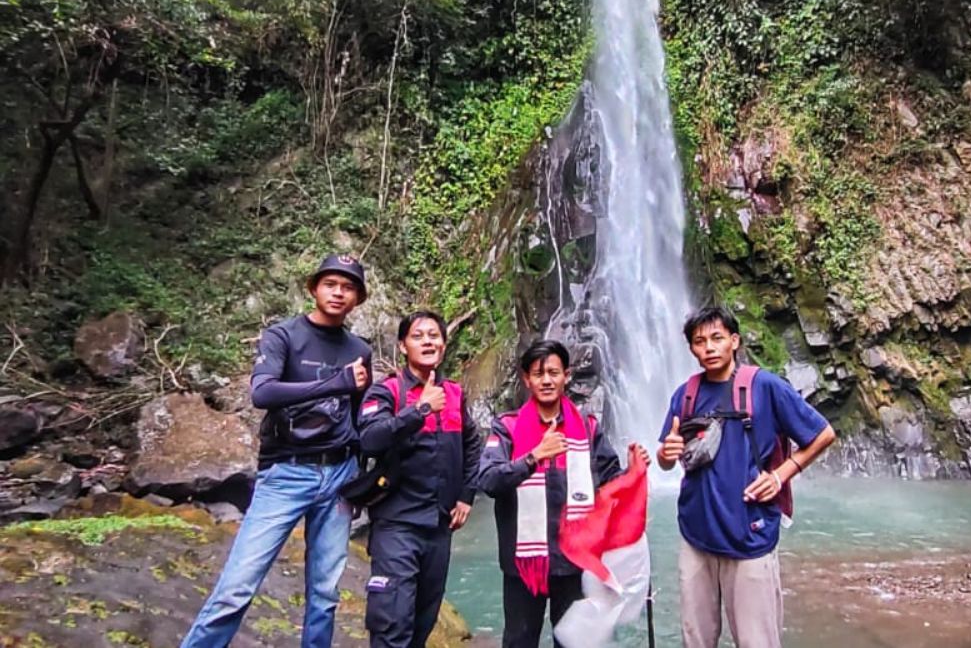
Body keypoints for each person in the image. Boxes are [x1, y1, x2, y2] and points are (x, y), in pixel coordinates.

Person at [181, 254, 373, 648]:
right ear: (313, 288)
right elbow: (263, 392)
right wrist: (335, 382)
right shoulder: (283, 336)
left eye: (348, 286)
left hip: (339, 476)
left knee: (325, 594)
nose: (339, 292)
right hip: (286, 472)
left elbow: (356, 418)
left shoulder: (359, 349)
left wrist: (361, 479)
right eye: (331, 283)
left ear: (358, 298)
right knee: (237, 587)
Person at [657, 306, 836, 648]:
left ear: (734, 341)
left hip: (749, 535)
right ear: (691, 349)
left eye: (717, 338)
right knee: (695, 639)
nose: (708, 348)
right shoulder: (686, 395)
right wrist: (665, 456)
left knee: (757, 641)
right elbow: (668, 459)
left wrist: (782, 474)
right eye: (699, 341)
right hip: (696, 536)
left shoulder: (764, 386)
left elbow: (822, 433)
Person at [478, 339, 648, 648]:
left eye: (553, 372)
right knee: (519, 641)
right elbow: (488, 479)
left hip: (574, 563)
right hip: (523, 565)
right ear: (526, 379)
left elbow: (609, 484)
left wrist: (634, 472)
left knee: (573, 643)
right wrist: (532, 458)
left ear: (566, 376)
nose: (546, 380)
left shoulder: (587, 428)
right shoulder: (507, 427)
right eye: (538, 374)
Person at [356, 310, 482, 647]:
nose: (427, 340)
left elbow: (473, 443)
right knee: (391, 624)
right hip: (397, 525)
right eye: (418, 335)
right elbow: (369, 439)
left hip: (439, 529)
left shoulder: (454, 393)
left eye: (434, 335)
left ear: (443, 345)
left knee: (422, 624)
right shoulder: (388, 392)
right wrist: (420, 410)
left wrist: (467, 495)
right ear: (402, 346)